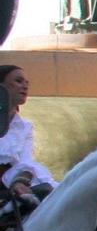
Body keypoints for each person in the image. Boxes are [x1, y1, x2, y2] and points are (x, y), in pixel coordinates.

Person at [0, 65, 56, 215]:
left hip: (13, 183)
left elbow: (26, 162)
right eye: (18, 81)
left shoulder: (25, 127)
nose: (25, 86)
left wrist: (20, 181)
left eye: (27, 83)